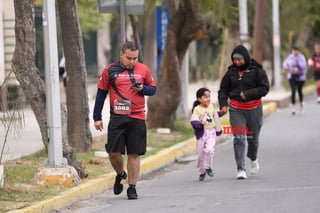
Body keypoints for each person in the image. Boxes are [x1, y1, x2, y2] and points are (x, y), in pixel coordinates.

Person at [93, 42, 156, 199]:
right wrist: (97, 117)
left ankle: (132, 187)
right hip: (117, 117)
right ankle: (120, 174)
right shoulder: (110, 70)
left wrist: (143, 89)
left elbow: (153, 89)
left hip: (137, 117)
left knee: (134, 154)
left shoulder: (143, 69)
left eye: (135, 58)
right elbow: (101, 93)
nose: (132, 61)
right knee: (113, 153)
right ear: (121, 55)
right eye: (129, 58)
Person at [218, 45, 269, 179]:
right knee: (239, 138)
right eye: (234, 59)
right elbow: (223, 90)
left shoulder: (257, 71)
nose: (237, 62)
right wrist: (223, 104)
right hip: (236, 109)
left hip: (254, 110)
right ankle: (240, 169)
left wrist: (248, 94)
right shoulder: (231, 73)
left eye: (240, 59)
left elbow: (264, 88)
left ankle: (253, 158)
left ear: (245, 58)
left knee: (253, 140)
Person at [190, 88, 222, 181]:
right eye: (205, 97)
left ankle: (208, 167)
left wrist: (222, 113)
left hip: (211, 132)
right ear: (199, 99)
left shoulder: (211, 106)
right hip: (202, 134)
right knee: (201, 155)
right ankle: (202, 172)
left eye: (209, 97)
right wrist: (200, 124)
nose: (208, 99)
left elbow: (215, 116)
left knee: (209, 150)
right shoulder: (197, 109)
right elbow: (193, 121)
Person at [283, 46, 307, 114]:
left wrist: (298, 62)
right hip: (292, 76)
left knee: (299, 91)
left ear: (298, 51)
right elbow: (285, 63)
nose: (295, 52)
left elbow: (304, 66)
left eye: (296, 51)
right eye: (293, 51)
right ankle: (293, 107)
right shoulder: (290, 57)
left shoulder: (301, 57)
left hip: (300, 77)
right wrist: (286, 66)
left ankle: (301, 103)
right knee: (293, 90)